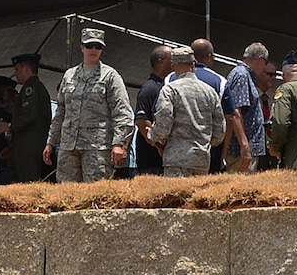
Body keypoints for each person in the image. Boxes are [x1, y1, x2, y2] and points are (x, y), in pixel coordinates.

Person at [46, 29, 133, 182]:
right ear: (82, 47)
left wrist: (119, 144)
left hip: (96, 149)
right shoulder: (69, 75)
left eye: (97, 47)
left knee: (95, 196)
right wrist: (51, 142)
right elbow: (60, 111)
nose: (93, 50)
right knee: (67, 194)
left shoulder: (110, 76)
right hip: (69, 148)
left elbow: (122, 112)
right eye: (89, 45)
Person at [148, 45, 225, 176]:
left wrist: (152, 135)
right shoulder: (210, 92)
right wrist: (204, 143)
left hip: (176, 161)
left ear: (173, 65)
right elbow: (220, 130)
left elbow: (164, 124)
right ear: (193, 64)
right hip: (202, 160)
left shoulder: (169, 90)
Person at [219, 43, 273, 173]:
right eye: (265, 63)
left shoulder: (245, 75)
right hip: (240, 152)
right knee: (239, 190)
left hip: (245, 149)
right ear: (259, 59)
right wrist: (245, 146)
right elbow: (236, 112)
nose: (264, 68)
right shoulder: (242, 75)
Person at [9, 53, 51, 184]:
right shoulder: (36, 87)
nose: (15, 74)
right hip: (31, 145)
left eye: (17, 70)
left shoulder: (30, 88)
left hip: (29, 146)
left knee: (28, 181)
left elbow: (30, 115)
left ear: (26, 69)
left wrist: (10, 127)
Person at [132, 45, 172, 176]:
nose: (175, 64)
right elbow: (141, 120)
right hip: (150, 157)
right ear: (161, 62)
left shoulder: (166, 86)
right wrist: (158, 145)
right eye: (171, 59)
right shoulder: (150, 89)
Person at [190, 39, 228, 173]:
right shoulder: (220, 82)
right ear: (209, 56)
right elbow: (229, 118)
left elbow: (160, 113)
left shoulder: (171, 79)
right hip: (210, 150)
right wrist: (223, 149)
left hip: (179, 152)